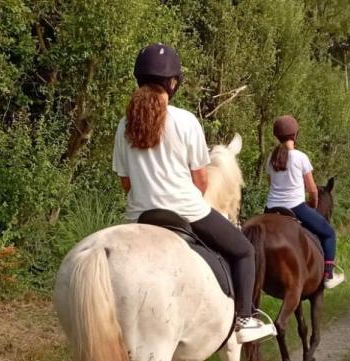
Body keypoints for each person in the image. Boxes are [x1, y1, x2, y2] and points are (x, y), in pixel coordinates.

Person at [112, 43, 274, 343]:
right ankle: (245, 318)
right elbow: (200, 181)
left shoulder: (124, 125)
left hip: (140, 216)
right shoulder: (185, 121)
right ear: (173, 83)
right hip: (186, 211)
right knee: (243, 251)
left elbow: (126, 184)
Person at [265, 115, 344, 290]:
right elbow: (313, 190)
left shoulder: (271, 158)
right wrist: (313, 205)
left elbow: (271, 184)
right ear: (295, 135)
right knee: (329, 233)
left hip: (270, 209)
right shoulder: (300, 157)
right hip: (296, 207)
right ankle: (328, 274)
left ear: (276, 136)